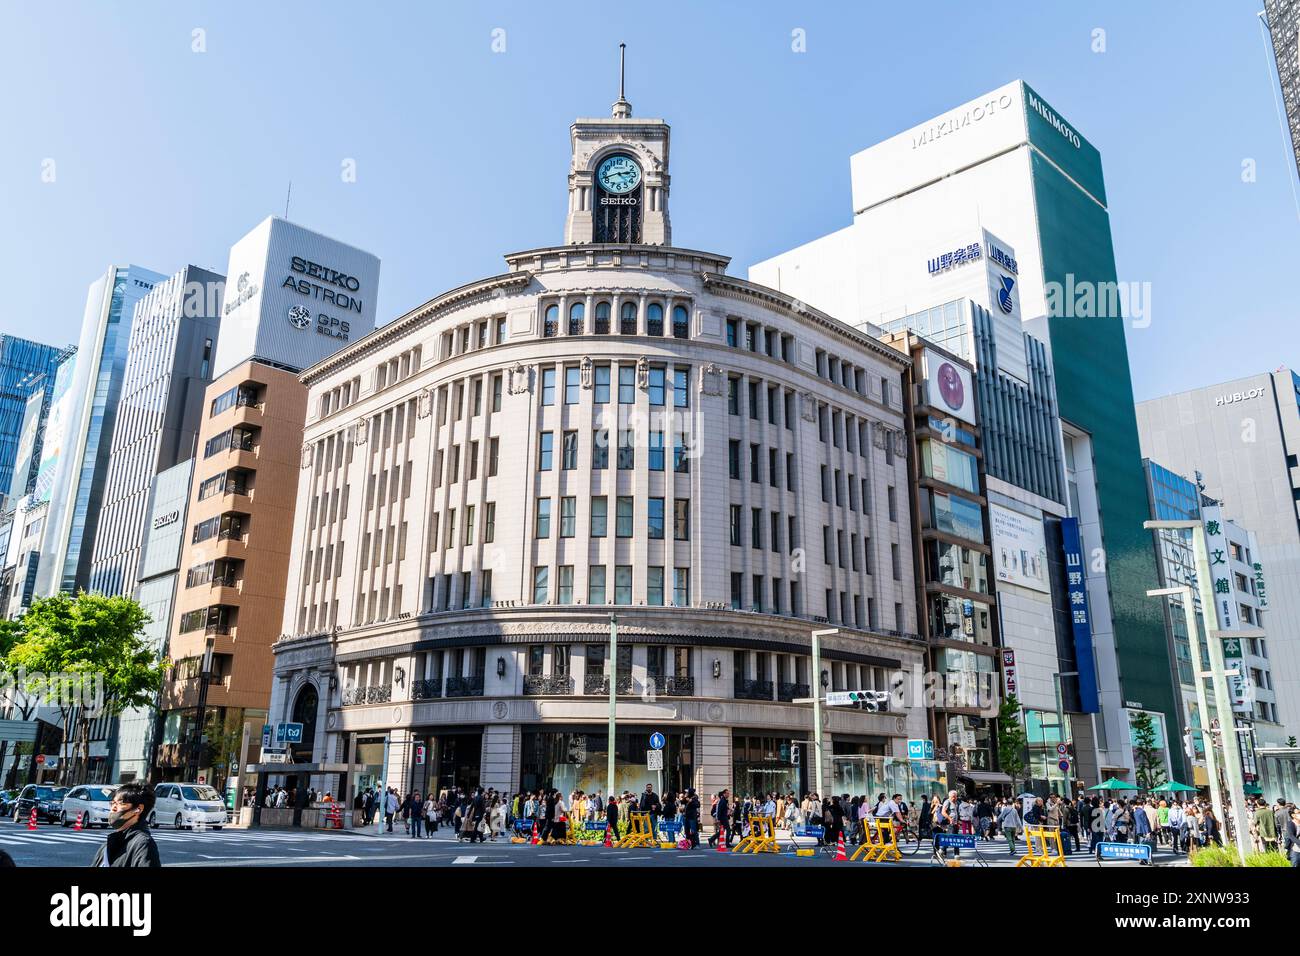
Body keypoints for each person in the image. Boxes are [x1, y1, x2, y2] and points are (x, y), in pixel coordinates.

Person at [90, 783, 161, 868]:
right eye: (112, 803)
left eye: (120, 803)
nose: (113, 808)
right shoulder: (108, 844)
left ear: (138, 809)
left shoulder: (143, 844)